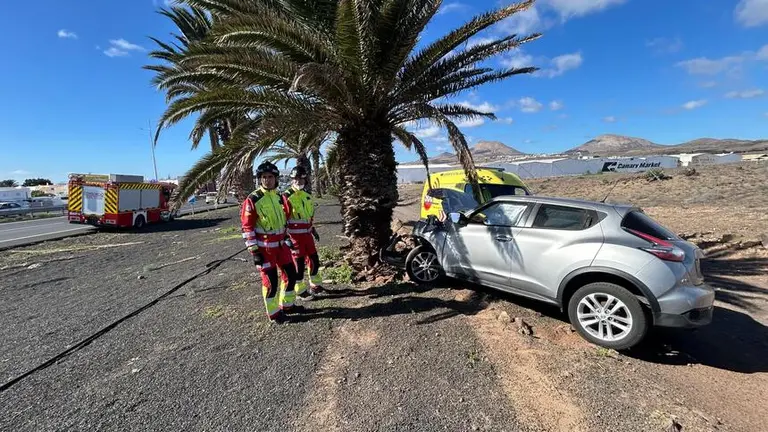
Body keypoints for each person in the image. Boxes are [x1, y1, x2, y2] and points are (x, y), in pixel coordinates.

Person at [240, 161, 299, 323]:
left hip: (281, 246)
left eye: (270, 177)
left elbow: (284, 220)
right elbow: (247, 227)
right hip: (265, 249)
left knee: (291, 274)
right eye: (264, 177)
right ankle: (273, 313)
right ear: (260, 179)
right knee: (271, 281)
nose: (267, 180)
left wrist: (287, 238)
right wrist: (254, 251)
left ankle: (287, 305)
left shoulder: (280, 198)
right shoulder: (253, 199)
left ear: (276, 178)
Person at [282, 166, 323, 299]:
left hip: (307, 236)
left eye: (301, 179)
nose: (298, 181)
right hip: (294, 237)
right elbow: (281, 219)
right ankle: (300, 290)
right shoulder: (286, 197)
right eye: (296, 179)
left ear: (306, 180)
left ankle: (315, 285)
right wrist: (286, 237)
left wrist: (313, 230)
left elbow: (309, 217)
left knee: (314, 261)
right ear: (292, 180)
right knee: (298, 265)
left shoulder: (307, 197)